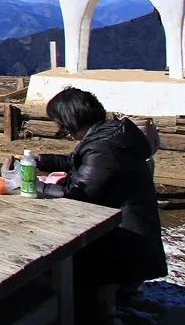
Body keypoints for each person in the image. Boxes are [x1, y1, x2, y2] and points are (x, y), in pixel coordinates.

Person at [35, 87, 168, 291]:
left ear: (70, 119)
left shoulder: (103, 147)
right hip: (131, 234)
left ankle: (83, 304)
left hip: (124, 243)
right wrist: (38, 160)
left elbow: (77, 195)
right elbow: (76, 161)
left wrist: (31, 184)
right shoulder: (109, 135)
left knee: (51, 257)